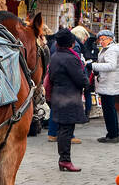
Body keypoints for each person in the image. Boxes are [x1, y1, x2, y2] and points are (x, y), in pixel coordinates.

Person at [48, 28, 87, 171]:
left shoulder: (55, 56)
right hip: (68, 97)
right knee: (66, 130)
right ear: (70, 43)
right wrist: (86, 83)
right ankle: (65, 160)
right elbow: (80, 79)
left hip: (58, 96)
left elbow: (51, 76)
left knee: (62, 129)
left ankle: (64, 159)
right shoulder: (71, 58)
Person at [91, 29, 119, 142]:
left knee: (109, 110)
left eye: (104, 39)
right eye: (100, 39)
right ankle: (113, 133)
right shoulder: (108, 49)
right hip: (108, 83)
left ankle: (113, 135)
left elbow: (111, 66)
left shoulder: (111, 50)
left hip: (109, 84)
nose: (101, 41)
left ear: (110, 39)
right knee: (109, 109)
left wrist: (93, 66)